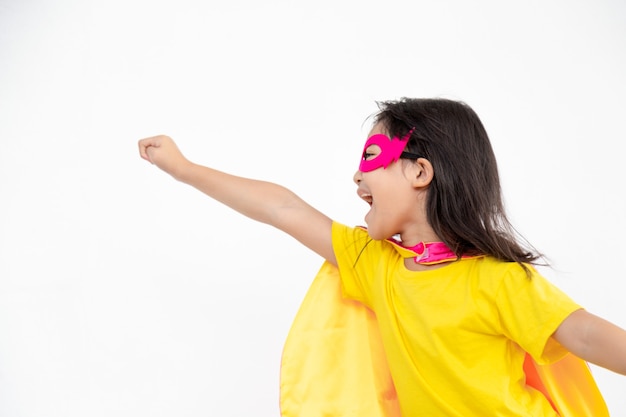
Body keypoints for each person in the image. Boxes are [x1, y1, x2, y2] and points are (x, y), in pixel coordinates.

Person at [138, 97, 626, 416]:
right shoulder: (377, 266)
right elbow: (283, 208)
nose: (356, 177)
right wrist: (184, 169)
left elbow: (580, 331)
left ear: (420, 172)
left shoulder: (496, 281)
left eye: (371, 159)